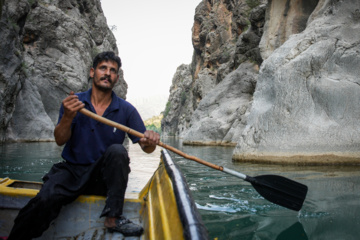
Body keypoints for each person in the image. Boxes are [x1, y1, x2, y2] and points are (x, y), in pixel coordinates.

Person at [8, 51, 160, 239]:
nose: (107, 73)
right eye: (103, 68)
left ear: (117, 78)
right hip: (72, 171)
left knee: (118, 151)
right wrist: (68, 117)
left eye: (112, 71)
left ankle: (113, 217)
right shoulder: (74, 103)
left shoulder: (126, 109)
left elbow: (146, 147)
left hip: (102, 178)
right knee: (44, 199)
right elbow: (59, 139)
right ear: (92, 72)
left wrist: (151, 141)